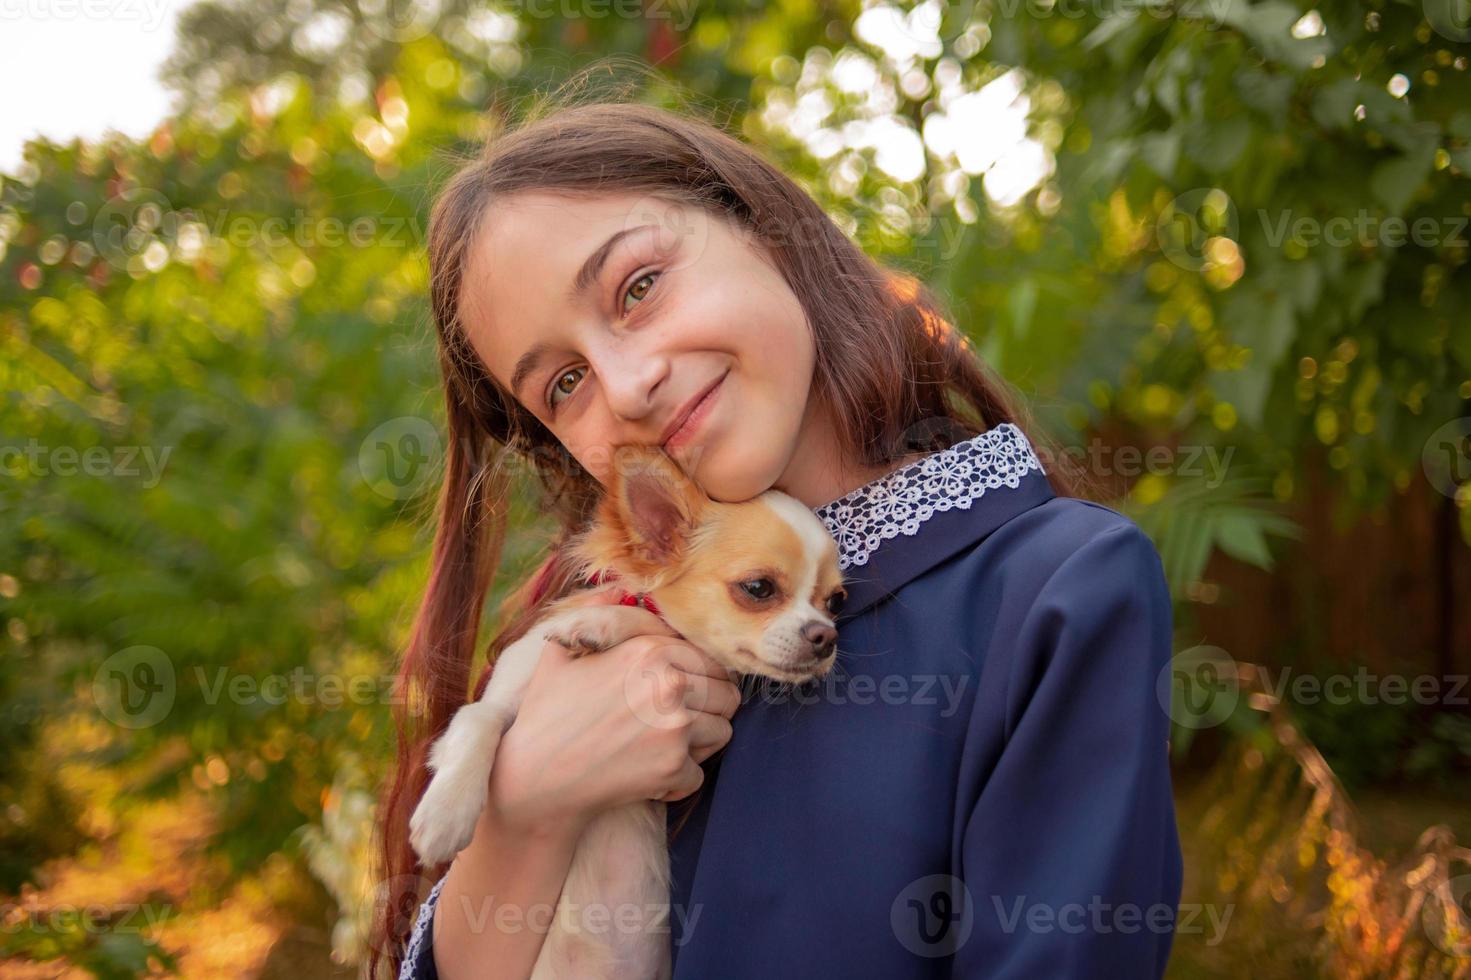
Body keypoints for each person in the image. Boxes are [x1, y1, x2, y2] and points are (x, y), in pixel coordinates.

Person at [371, 92, 1183, 980]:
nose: (628, 383)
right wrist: (527, 805)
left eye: (637, 288)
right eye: (564, 383)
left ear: (762, 228)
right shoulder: (588, 646)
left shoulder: (1052, 590)